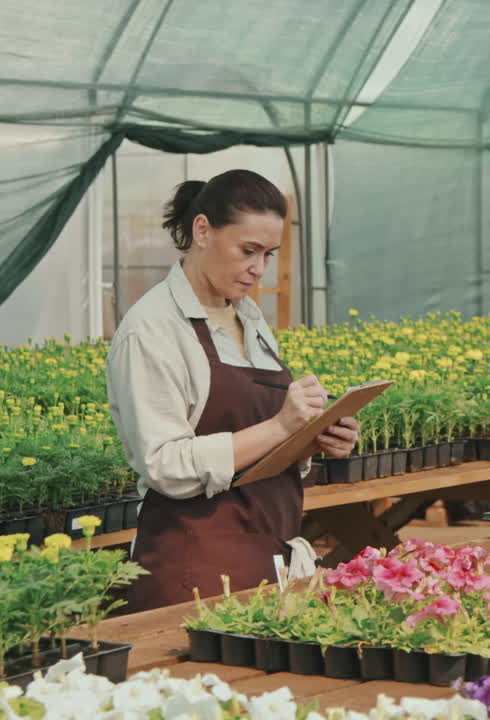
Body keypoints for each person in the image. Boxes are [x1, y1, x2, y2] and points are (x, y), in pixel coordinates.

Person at [106, 169, 359, 613]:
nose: (259, 269)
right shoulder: (153, 330)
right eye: (248, 250)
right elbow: (164, 464)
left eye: (269, 253)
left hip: (269, 553)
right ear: (202, 230)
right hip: (195, 570)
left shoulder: (249, 317)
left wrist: (310, 438)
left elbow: (256, 438)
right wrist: (282, 424)